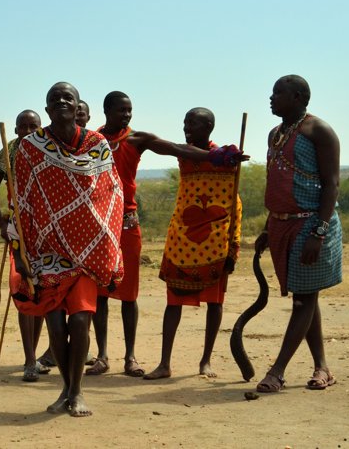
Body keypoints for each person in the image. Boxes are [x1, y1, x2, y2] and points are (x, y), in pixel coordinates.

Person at [87, 92, 241, 378]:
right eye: (121, 110)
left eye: (129, 110)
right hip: (97, 225)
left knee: (129, 294)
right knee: (100, 294)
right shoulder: (91, 141)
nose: (127, 115)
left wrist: (216, 156)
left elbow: (175, 149)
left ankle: (130, 358)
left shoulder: (136, 139)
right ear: (106, 110)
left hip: (127, 223)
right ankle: (102, 356)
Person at [12, 82, 123, 417]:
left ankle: (77, 392)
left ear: (78, 108)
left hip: (88, 252)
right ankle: (66, 388)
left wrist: (107, 243)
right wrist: (20, 251)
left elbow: (111, 194)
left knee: (79, 322)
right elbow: (19, 200)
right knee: (56, 326)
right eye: (54, 99)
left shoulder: (97, 144)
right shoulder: (31, 147)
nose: (61, 102)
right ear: (46, 109)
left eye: (68, 98)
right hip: (47, 252)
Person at [255, 75, 343, 393]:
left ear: (298, 96)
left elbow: (332, 184)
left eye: (277, 93)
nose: (271, 97)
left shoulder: (318, 130)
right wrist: (267, 227)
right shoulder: (274, 134)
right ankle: (322, 368)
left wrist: (319, 232)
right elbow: (276, 183)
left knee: (304, 298)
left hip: (311, 223)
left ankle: (277, 371)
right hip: (281, 225)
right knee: (306, 296)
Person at [143, 108, 242, 380]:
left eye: (193, 123)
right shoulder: (185, 153)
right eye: (185, 122)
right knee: (172, 303)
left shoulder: (228, 156)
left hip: (215, 243)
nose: (186, 127)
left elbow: (235, 203)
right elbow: (170, 147)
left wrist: (234, 244)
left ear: (208, 126)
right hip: (182, 241)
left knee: (215, 303)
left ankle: (205, 361)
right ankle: (164, 363)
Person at [0, 109, 48, 382]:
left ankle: (32, 355)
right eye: (22, 127)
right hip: (18, 229)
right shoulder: (9, 151)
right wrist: (2, 223)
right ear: (15, 131)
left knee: (43, 292)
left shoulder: (50, 150)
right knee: (24, 289)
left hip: (47, 230)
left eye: (33, 126)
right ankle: (30, 361)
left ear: (41, 127)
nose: (27, 131)